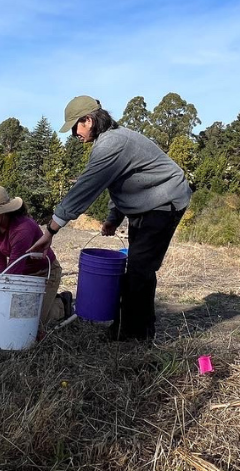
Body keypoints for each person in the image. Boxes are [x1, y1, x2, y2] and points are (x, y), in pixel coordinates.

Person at [28, 96, 192, 342]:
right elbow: (121, 183)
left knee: (139, 270)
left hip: (164, 202)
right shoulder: (110, 142)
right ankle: (137, 329)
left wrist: (51, 230)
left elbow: (85, 188)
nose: (74, 134)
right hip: (146, 204)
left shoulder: (111, 143)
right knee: (140, 268)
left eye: (75, 126)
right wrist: (114, 218)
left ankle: (132, 336)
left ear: (89, 120)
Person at [0, 185, 73, 338]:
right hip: (20, 273)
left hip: (44, 273)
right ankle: (44, 302)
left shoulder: (22, 229)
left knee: (30, 321)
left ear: (3, 212)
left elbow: (15, 270)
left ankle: (62, 304)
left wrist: (0, 300)